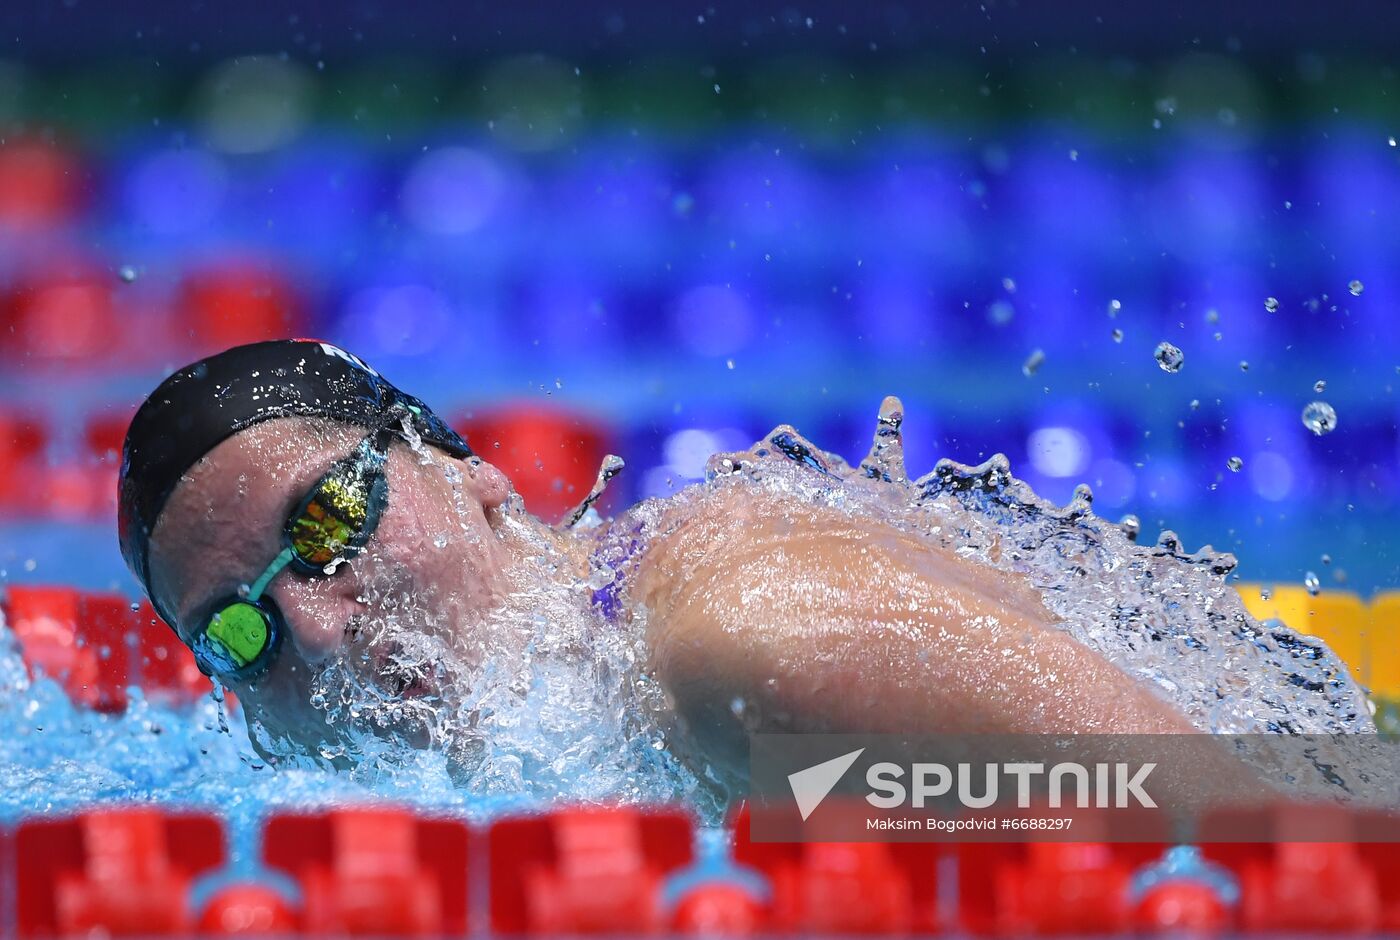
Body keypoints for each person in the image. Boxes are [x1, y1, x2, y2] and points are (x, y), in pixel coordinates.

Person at [117, 340, 1320, 796]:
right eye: (239, 632)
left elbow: (1278, 838)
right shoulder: (588, 723)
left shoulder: (741, 642)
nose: (313, 631)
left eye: (327, 521)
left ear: (466, 467)